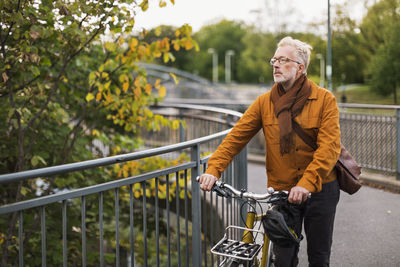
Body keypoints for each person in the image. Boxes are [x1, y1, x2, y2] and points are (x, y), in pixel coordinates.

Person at [198, 36, 341, 267]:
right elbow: (236, 137)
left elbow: (329, 148)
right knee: (282, 259)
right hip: (282, 191)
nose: (275, 64)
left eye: (284, 60)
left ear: (300, 68)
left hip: (321, 187)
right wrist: (214, 169)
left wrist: (306, 183)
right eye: (274, 59)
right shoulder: (264, 103)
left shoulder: (324, 100)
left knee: (318, 257)